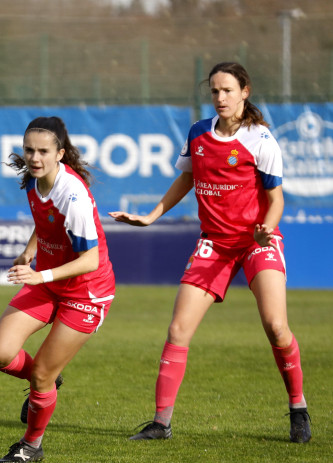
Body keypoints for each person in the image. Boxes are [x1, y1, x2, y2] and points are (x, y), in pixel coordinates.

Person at [110, 62, 311, 443]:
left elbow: (276, 197)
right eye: (215, 91)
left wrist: (267, 227)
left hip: (256, 242)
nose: (220, 97)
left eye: (228, 90)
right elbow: (187, 177)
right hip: (213, 244)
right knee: (178, 329)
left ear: (245, 92)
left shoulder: (261, 139)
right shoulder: (198, 133)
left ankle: (298, 409)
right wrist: (151, 216)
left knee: (276, 326)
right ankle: (160, 423)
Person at [0, 116, 116, 462]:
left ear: (60, 153)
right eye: (29, 149)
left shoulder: (71, 194)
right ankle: (46, 383)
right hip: (49, 280)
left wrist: (39, 277)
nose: (34, 157)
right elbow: (45, 221)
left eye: (43, 151)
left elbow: (90, 260)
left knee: (41, 374)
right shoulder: (33, 180)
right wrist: (31, 251)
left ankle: (31, 446)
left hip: (85, 292)